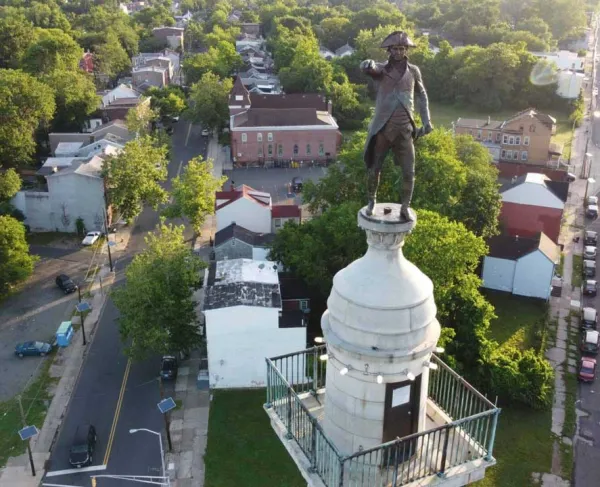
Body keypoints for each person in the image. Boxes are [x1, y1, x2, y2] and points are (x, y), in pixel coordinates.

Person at [360, 31, 433, 221]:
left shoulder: (414, 71)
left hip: (405, 129)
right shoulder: (382, 69)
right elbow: (370, 68)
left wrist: (426, 121)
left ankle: (405, 206)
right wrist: (366, 64)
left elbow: (422, 96)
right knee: (374, 168)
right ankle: (371, 200)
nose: (399, 52)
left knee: (409, 171)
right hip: (384, 128)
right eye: (395, 49)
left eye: (402, 48)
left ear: (406, 49)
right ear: (389, 51)